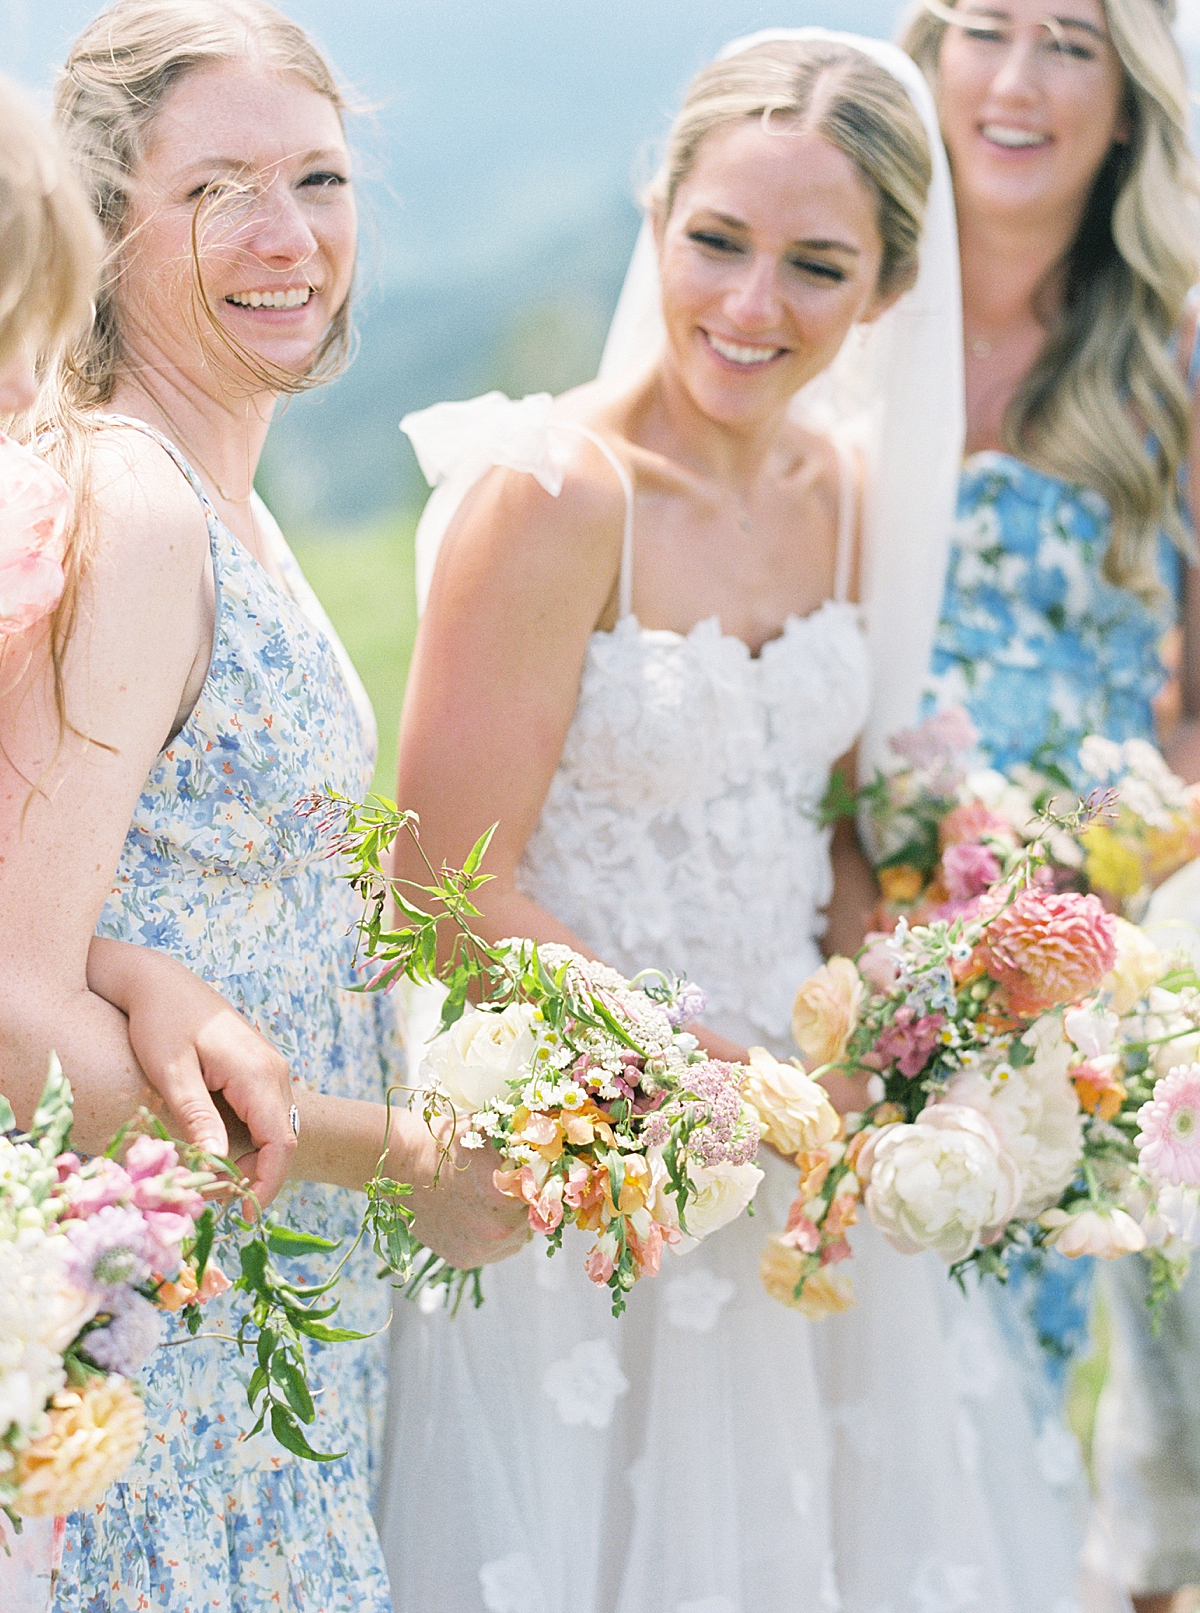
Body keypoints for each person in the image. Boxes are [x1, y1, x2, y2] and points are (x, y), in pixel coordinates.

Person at [378, 32, 1097, 1612]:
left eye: (816, 265)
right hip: (586, 1170)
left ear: (889, 291)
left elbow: (821, 829)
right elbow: (440, 893)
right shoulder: (559, 497)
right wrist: (692, 1067)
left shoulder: (845, 496)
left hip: (802, 1159)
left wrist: (920, 1033)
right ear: (656, 217)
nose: (752, 306)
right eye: (719, 240)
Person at [0, 4, 526, 1609]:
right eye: (216, 189)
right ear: (96, 225)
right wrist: (397, 1155)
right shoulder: (139, 506)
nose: (287, 236)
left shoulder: (227, 493)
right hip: (167, 1369)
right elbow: (16, 1009)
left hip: (267, 1344)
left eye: (319, 177)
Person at [901, 4, 1200, 1606]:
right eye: (986, 30)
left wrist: (1113, 868)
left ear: (1130, 96)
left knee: (1023, 1377)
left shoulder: (1176, 358)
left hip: (1082, 973)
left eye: (1070, 42)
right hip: (833, 938)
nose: (1016, 82)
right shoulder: (836, 298)